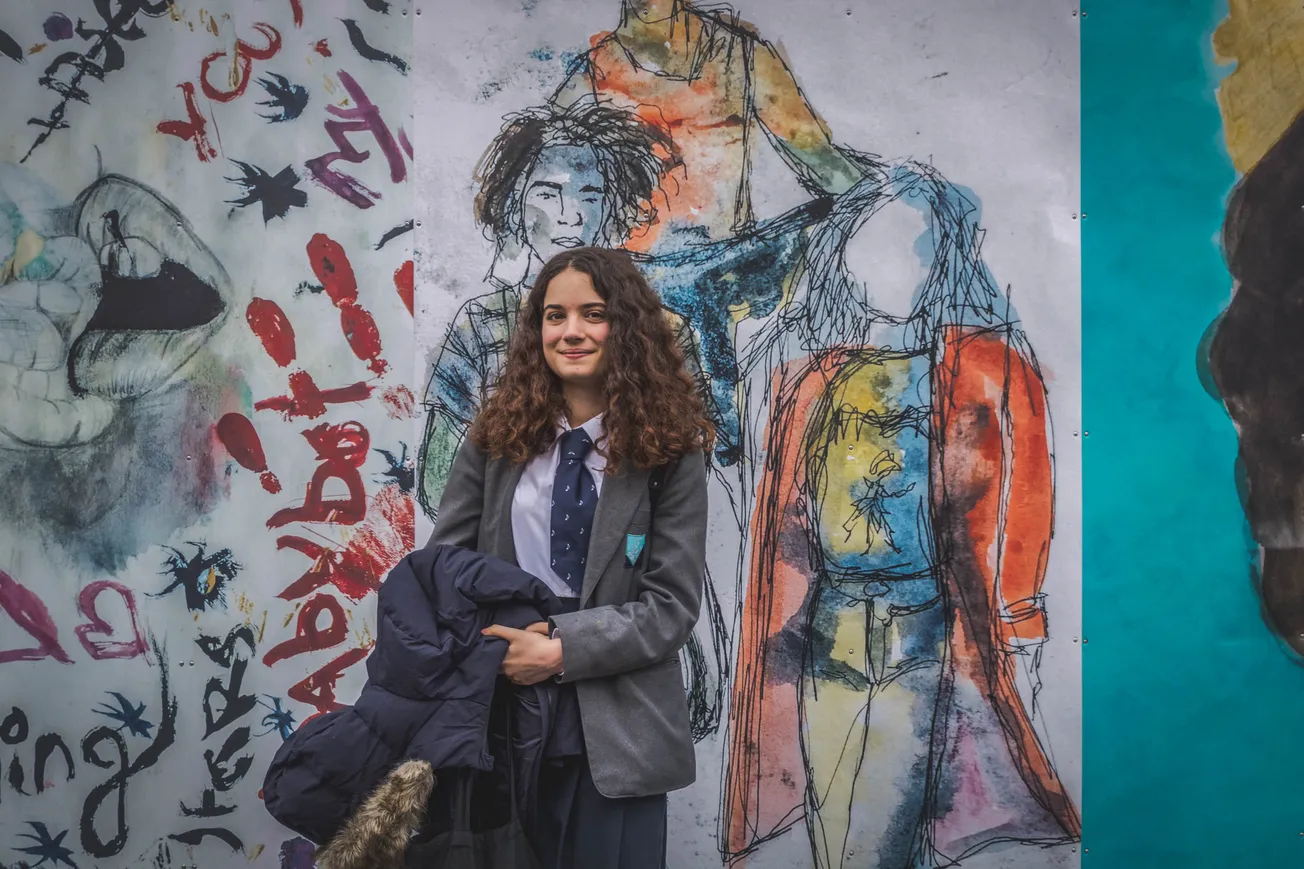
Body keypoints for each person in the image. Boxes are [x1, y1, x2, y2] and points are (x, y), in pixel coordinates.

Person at [427, 245, 714, 868]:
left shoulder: (672, 452)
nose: (571, 331)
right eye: (554, 316)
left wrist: (559, 651)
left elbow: (670, 608)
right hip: (499, 712)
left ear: (628, 329)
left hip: (620, 723)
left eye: (594, 313)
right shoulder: (495, 437)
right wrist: (493, 650)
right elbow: (444, 570)